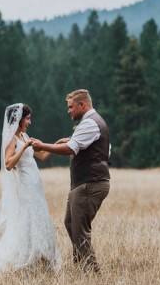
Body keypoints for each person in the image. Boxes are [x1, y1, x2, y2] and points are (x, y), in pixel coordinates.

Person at [31, 89, 110, 273]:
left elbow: (71, 149)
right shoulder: (94, 122)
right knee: (70, 222)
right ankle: (82, 265)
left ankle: (91, 272)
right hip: (86, 183)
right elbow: (105, 150)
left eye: (71, 107)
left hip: (89, 183)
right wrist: (73, 140)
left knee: (80, 228)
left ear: (82, 105)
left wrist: (42, 145)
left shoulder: (90, 123)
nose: (69, 111)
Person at [0, 103, 62, 275]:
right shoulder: (12, 139)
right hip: (25, 187)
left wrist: (58, 143)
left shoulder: (25, 135)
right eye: (27, 118)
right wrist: (24, 147)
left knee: (39, 218)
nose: (30, 122)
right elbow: (8, 163)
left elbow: (42, 156)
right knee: (27, 220)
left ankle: (41, 259)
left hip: (35, 185)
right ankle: (24, 260)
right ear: (18, 120)